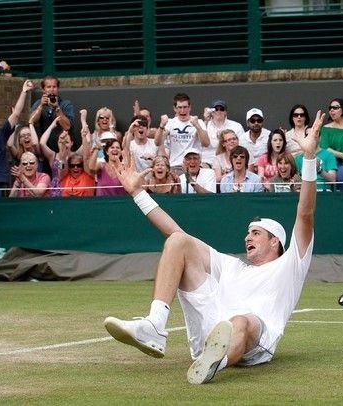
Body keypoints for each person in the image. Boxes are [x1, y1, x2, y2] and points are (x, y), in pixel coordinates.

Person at [103, 109, 325, 385]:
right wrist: (138, 193)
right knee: (177, 241)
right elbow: (177, 235)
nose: (248, 237)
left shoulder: (291, 264)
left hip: (255, 336)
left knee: (243, 321)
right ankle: (155, 326)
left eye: (256, 233)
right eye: (247, 233)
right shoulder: (233, 267)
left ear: (275, 241)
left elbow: (305, 214)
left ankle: (213, 365)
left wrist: (310, 159)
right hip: (212, 330)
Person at [155, 93, 210, 175]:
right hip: (176, 165)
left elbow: (206, 143)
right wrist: (161, 126)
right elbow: (158, 142)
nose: (182, 111)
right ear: (175, 108)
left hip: (194, 165)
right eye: (179, 107)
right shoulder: (170, 123)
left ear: (190, 107)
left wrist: (197, 126)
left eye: (185, 107)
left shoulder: (198, 122)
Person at [29, 75, 77, 153]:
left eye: (54, 87)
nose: (51, 90)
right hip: (45, 150)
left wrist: (57, 108)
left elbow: (67, 126)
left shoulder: (66, 104)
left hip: (64, 150)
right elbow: (31, 121)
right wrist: (40, 106)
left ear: (58, 89)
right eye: (48, 87)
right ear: (43, 89)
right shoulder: (38, 103)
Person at [39, 117, 79, 197]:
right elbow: (42, 143)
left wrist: (83, 122)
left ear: (72, 143)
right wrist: (52, 126)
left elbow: (87, 145)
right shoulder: (53, 155)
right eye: (61, 141)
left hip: (71, 189)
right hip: (56, 190)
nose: (63, 144)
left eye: (66, 142)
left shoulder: (75, 155)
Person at [202, 100, 244, 168]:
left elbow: (242, 145)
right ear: (211, 112)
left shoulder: (236, 126)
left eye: (222, 109)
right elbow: (198, 143)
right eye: (216, 109)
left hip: (229, 161)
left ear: (225, 112)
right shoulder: (205, 125)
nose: (219, 111)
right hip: (207, 161)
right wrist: (206, 120)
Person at [239, 108, 270, 172]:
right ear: (247, 123)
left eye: (259, 120)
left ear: (262, 122)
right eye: (253, 121)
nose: (256, 123)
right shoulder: (241, 139)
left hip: (266, 170)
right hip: (247, 170)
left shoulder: (269, 136)